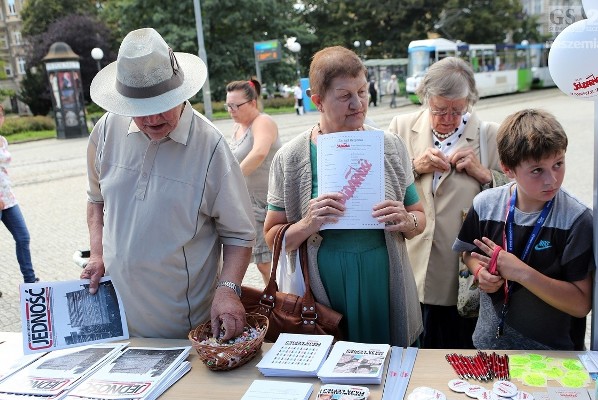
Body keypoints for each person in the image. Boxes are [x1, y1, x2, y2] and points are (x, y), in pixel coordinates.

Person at [82, 28, 256, 340]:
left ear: (182, 94)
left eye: (161, 104)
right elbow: (96, 200)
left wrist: (228, 290)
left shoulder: (210, 147)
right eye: (139, 110)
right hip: (117, 320)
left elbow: (240, 235)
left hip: (182, 329)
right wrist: (97, 254)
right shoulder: (107, 127)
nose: (151, 119)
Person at [264, 46, 424, 347]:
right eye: (344, 95)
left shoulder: (390, 146)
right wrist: (308, 224)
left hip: (383, 278)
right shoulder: (291, 157)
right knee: (333, 372)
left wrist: (406, 220)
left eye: (362, 91)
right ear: (317, 101)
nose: (358, 103)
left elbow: (420, 218)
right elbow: (271, 238)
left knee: (387, 365)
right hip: (323, 287)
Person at [388, 57, 508, 349]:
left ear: (470, 100)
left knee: (458, 350)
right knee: (411, 348)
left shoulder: (489, 134)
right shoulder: (401, 127)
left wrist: (483, 174)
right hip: (411, 261)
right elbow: (383, 183)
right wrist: (414, 167)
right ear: (426, 98)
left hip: (463, 272)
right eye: (439, 110)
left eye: (457, 110)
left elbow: (515, 193)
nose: (448, 118)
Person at [453, 109, 594, 350]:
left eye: (558, 164)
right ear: (508, 169)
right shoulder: (485, 204)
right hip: (489, 348)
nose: (552, 180)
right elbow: (467, 252)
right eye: (537, 170)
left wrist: (521, 272)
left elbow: (581, 303)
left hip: (554, 358)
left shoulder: (576, 219)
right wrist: (480, 273)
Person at [226, 79, 282, 286]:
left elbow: (259, 153)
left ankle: (278, 300)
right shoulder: (238, 127)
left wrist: (231, 182)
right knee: (262, 260)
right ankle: (273, 297)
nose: (231, 110)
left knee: (267, 260)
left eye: (235, 105)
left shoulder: (262, 122)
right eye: (228, 105)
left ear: (252, 103)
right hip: (249, 203)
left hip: (267, 203)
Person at [0, 103, 39, 293]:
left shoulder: (2, 140)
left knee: (23, 237)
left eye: (0, 115)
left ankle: (30, 282)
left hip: (8, 198)